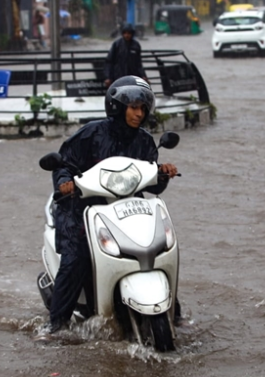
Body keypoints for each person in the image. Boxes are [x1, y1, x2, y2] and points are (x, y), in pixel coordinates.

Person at [46, 76, 178, 333]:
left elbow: (152, 186)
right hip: (82, 209)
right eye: (134, 107)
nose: (139, 114)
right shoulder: (90, 134)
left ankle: (175, 310)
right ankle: (55, 326)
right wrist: (65, 183)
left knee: (156, 251)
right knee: (76, 260)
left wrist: (162, 173)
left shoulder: (144, 141)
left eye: (143, 108)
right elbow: (63, 164)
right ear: (117, 106)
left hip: (127, 209)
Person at [103, 23, 147, 88]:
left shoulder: (136, 45)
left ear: (132, 34)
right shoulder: (117, 45)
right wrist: (108, 77)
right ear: (122, 34)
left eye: (129, 33)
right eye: (125, 33)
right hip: (118, 76)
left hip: (132, 77)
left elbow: (138, 63)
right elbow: (110, 61)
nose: (127, 35)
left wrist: (143, 75)